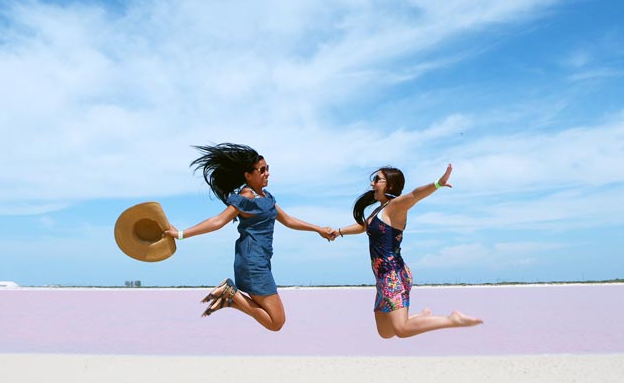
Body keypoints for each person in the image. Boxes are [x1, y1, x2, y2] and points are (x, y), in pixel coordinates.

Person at [165, 143, 335, 331]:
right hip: (252, 263)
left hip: (260, 261)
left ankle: (230, 301)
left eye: (267, 169)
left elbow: (287, 220)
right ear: (248, 175)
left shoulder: (266, 196)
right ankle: (231, 293)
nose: (267, 173)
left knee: (274, 320)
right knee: (276, 322)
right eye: (262, 170)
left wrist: (318, 229)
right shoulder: (247, 196)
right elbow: (218, 221)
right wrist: (181, 234)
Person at [333, 164, 482, 338]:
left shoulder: (395, 206)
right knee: (386, 332)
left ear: (389, 185)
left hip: (393, 275)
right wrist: (339, 231)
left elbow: (414, 195)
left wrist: (437, 183)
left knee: (401, 330)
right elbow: (364, 226)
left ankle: (452, 319)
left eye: (376, 180)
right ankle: (420, 318)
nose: (372, 184)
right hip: (382, 278)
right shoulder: (379, 210)